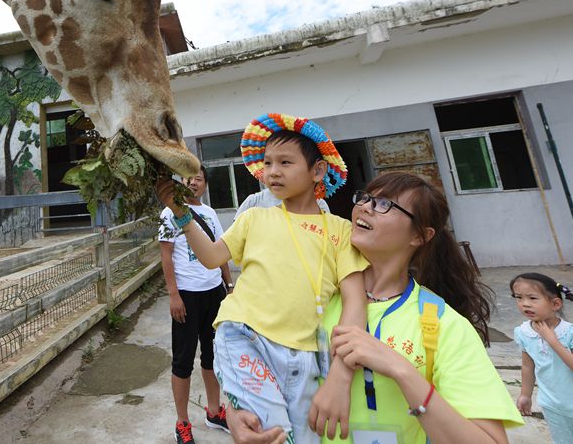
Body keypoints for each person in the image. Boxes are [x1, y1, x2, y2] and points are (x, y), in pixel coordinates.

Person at [229, 171, 524, 444]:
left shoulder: (442, 323)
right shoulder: (312, 297)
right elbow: (253, 352)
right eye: (366, 198)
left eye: (385, 204)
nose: (365, 207)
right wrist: (237, 410)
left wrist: (401, 371)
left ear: (420, 236)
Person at [157, 113, 368, 444]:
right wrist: (182, 214)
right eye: (268, 163)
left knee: (306, 438)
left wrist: (342, 375)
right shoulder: (253, 218)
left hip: (308, 354)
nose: (273, 171)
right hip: (245, 337)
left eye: (285, 162)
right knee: (272, 435)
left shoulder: (341, 230)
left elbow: (356, 302)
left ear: (317, 171)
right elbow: (211, 256)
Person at [159, 164, 234, 443]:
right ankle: (182, 423)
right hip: (187, 296)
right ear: (180, 181)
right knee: (183, 361)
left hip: (214, 292)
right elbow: (166, 256)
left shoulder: (210, 213)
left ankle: (214, 412)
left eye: (198, 178)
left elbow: (220, 251)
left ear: (205, 184)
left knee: (213, 356)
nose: (193, 182)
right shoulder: (170, 213)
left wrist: (229, 285)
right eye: (188, 178)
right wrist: (173, 295)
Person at [511, 273, 573, 443]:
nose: (525, 304)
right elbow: (528, 366)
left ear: (555, 304)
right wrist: (525, 395)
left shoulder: (572, 333)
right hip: (553, 408)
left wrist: (553, 341)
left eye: (532, 298)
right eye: (519, 297)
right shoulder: (523, 332)